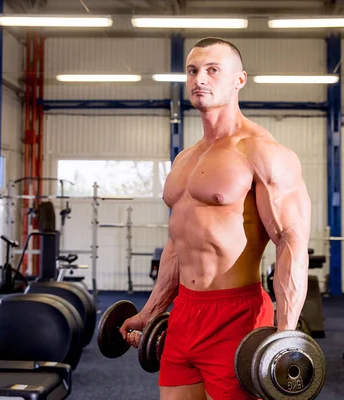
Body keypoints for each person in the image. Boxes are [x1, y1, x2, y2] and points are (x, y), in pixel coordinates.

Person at [120, 37, 312, 400]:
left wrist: (285, 335)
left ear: (239, 80)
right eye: (193, 71)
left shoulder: (262, 151)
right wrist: (150, 310)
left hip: (237, 317)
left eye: (212, 70)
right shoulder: (184, 159)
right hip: (184, 315)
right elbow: (179, 242)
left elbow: (291, 243)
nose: (200, 79)